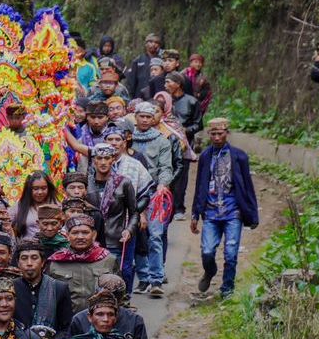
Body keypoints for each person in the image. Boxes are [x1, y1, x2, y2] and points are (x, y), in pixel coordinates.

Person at [191, 118, 260, 298]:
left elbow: (247, 186)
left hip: (232, 211)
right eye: (213, 134)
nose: (216, 137)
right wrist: (195, 213)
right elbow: (200, 185)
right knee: (207, 251)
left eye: (219, 134)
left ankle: (227, 288)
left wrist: (253, 214)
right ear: (209, 134)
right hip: (211, 211)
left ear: (226, 133)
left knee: (231, 253)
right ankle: (210, 271)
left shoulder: (239, 156)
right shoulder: (206, 156)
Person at [130, 104, 181, 297]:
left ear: (153, 120)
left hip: (154, 194)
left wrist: (163, 185)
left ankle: (156, 279)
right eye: (141, 116)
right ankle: (142, 277)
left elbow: (166, 167)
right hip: (132, 193)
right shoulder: (128, 139)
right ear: (135, 117)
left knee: (156, 235)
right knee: (137, 236)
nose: (144, 120)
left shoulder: (162, 141)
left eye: (147, 117)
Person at [86, 143, 140, 291]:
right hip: (91, 240)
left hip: (114, 239)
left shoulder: (124, 183)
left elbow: (134, 212)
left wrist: (129, 230)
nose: (103, 162)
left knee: (117, 277)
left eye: (107, 158)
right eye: (99, 158)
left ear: (113, 160)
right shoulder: (86, 183)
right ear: (94, 161)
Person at [49, 216, 119, 304]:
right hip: (67, 316)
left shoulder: (109, 260)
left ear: (94, 235)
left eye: (85, 232)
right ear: (67, 235)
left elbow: (120, 293)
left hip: (101, 316)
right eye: (75, 233)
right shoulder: (56, 262)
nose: (80, 237)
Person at [13, 239, 72, 339]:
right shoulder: (10, 288)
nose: (29, 263)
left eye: (34, 258)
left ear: (43, 262)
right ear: (18, 263)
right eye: (24, 258)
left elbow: (66, 328)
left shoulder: (59, 288)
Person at [11, 173, 56, 238]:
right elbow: (6, 223)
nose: (40, 192)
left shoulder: (56, 205)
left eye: (43, 188)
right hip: (26, 246)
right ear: (29, 189)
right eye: (35, 189)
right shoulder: (20, 205)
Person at [125, 33, 162, 100]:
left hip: (157, 96)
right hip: (139, 97)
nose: (153, 44)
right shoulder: (138, 60)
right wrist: (130, 98)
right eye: (150, 42)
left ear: (159, 45)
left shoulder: (162, 61)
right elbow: (131, 82)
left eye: (156, 42)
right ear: (146, 44)